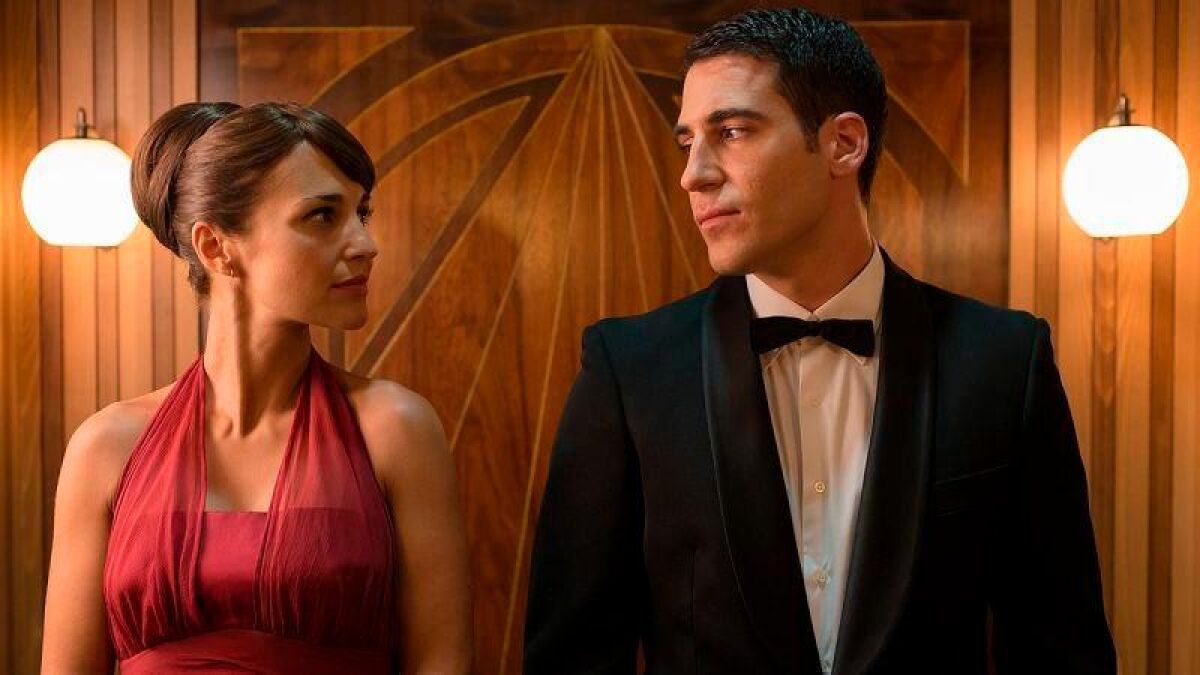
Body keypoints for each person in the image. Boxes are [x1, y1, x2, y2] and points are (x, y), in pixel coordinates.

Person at [524, 8, 1115, 674]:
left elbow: (1062, 650)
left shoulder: (1005, 362)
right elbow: (572, 656)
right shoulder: (629, 370)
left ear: (843, 144)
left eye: (732, 132)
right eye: (687, 142)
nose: (694, 174)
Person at [41, 102, 472, 674]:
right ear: (216, 247)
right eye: (322, 215)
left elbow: (442, 663)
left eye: (362, 213)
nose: (366, 243)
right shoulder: (106, 447)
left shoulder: (395, 429)